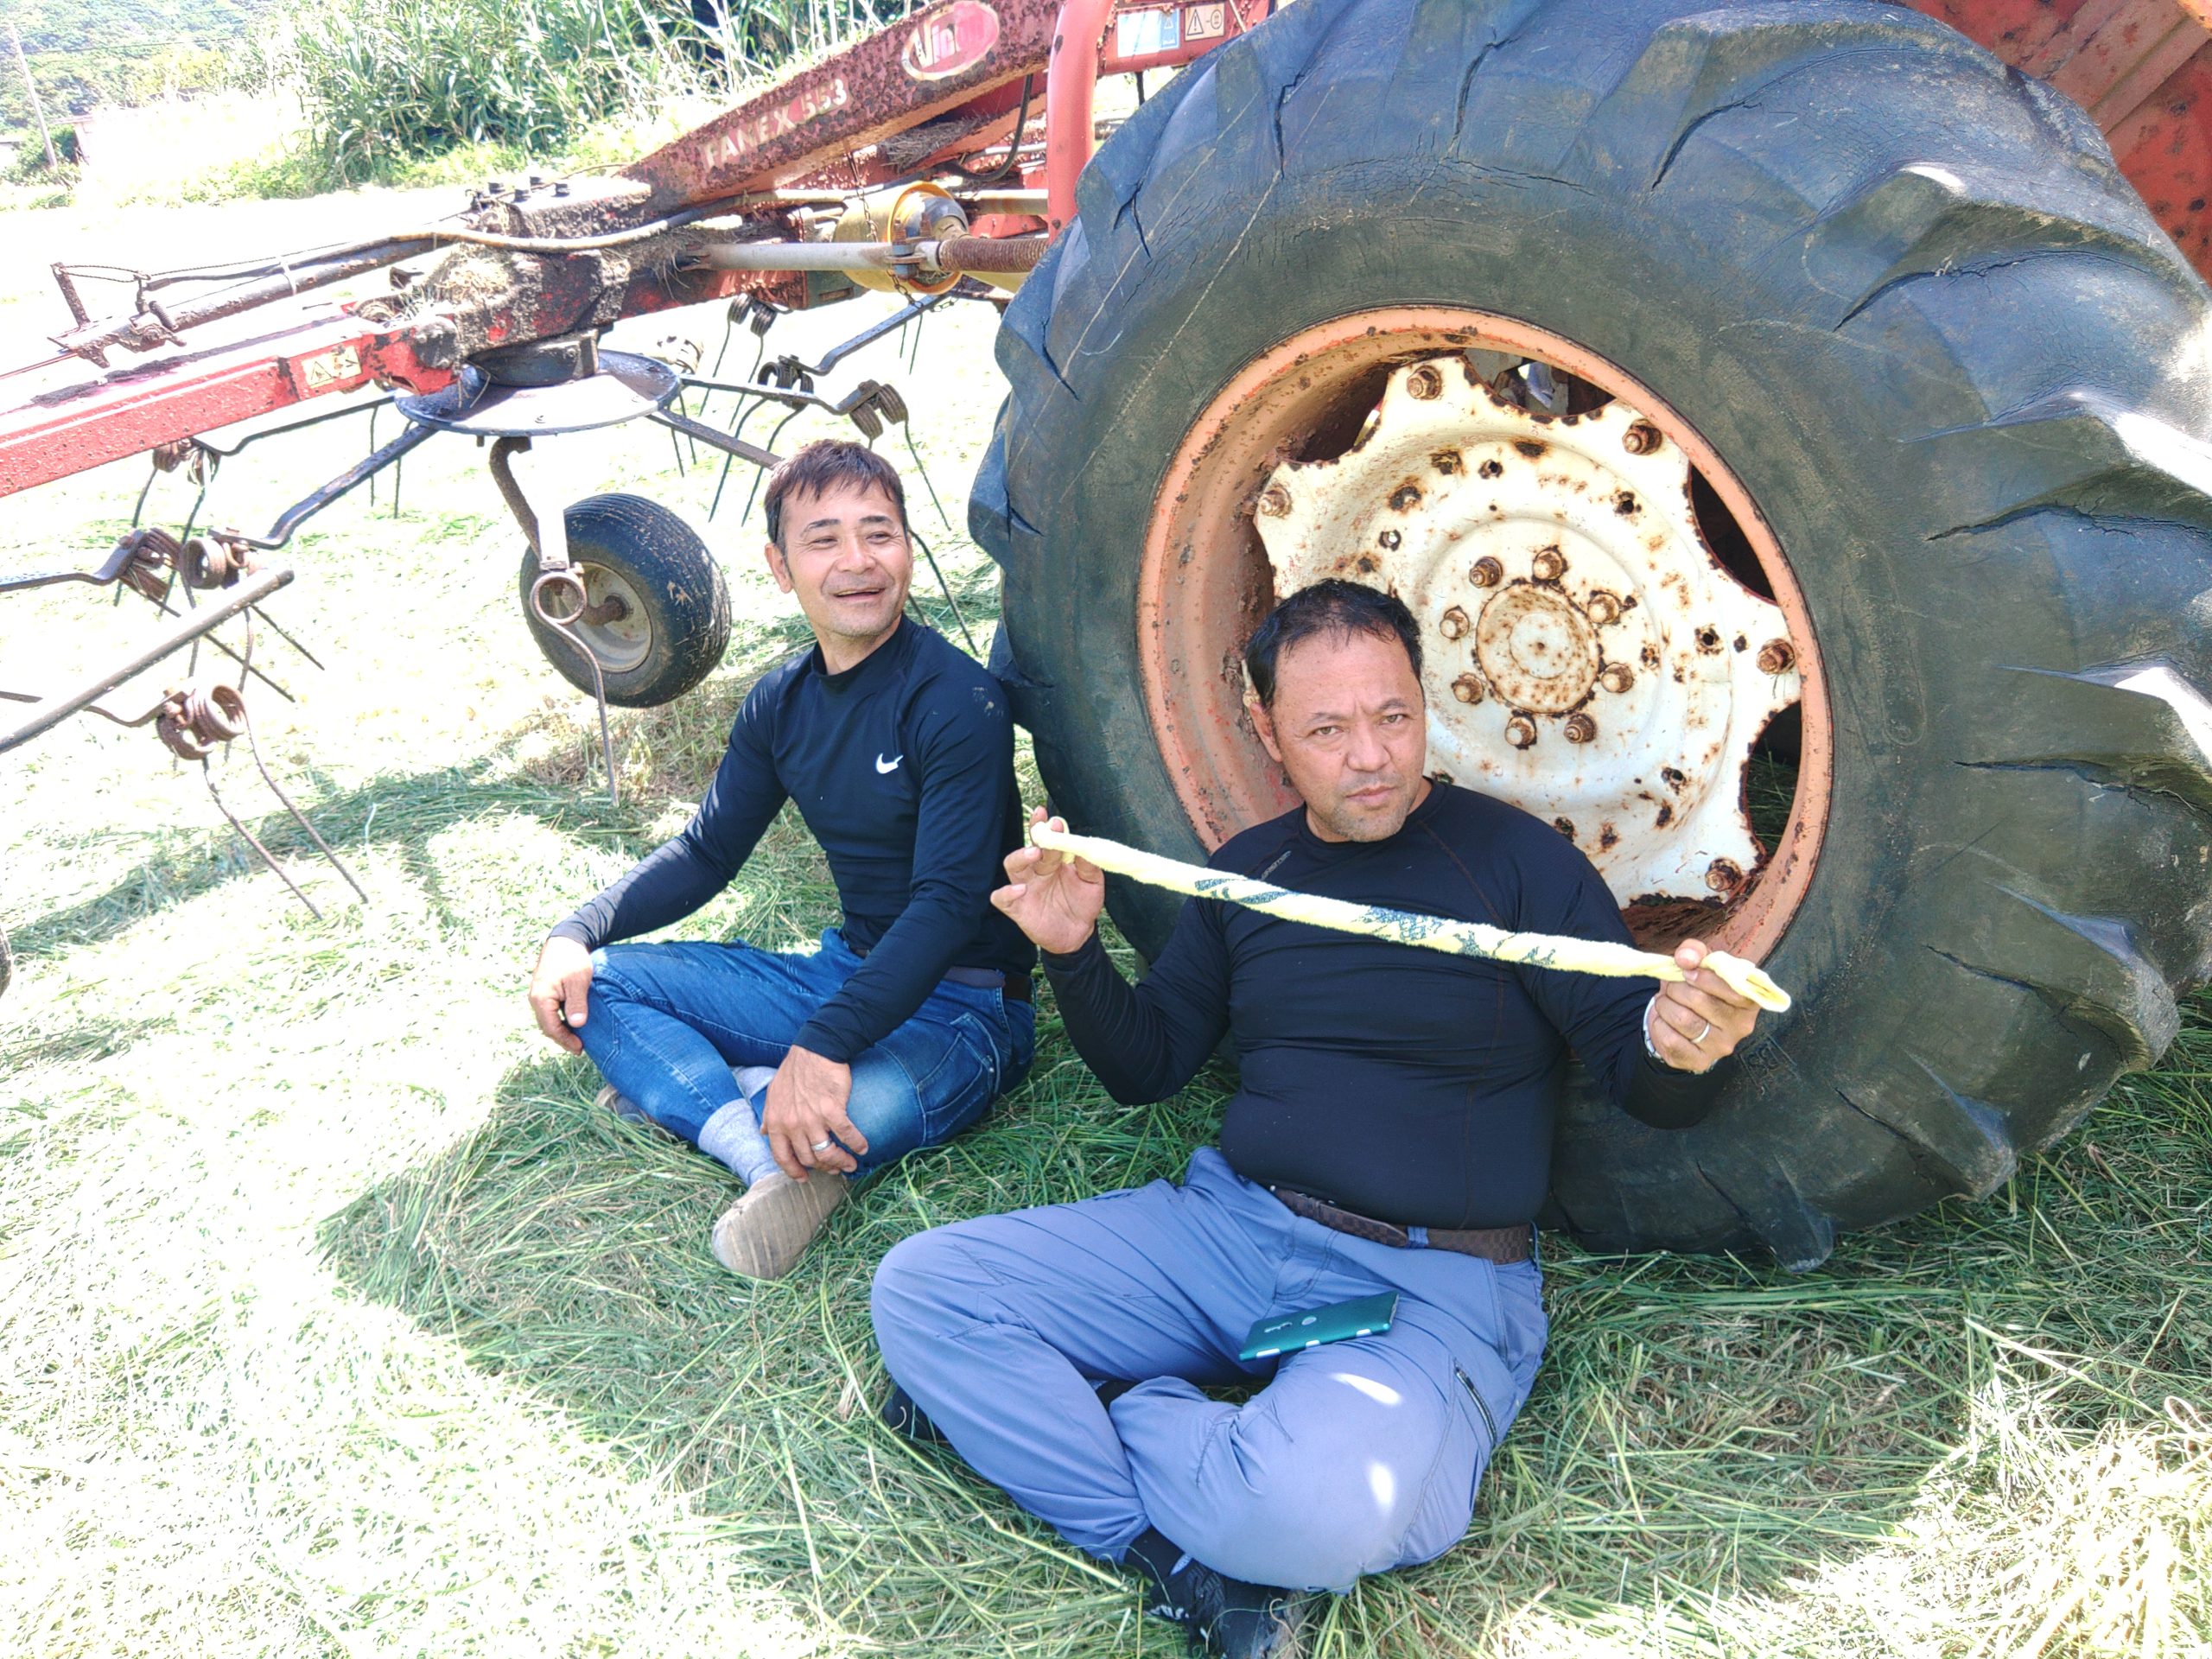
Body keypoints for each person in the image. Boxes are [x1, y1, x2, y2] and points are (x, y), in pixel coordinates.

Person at [869, 580, 1766, 1656]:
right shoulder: (1251, 877)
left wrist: (1681, 1047)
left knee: (1317, 1513)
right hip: (1230, 1232)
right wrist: (1071, 952)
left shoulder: (1517, 866)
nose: (1371, 758)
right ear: (1268, 732)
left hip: (1426, 1284)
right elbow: (1147, 1066)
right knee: (924, 1291)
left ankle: (1104, 1409)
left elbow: (1639, 1073)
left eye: (1393, 716)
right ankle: (1168, 1558)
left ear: (1424, 702)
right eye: (1327, 730)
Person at [527, 440, 1036, 1280]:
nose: (857, 561)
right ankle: (756, 1143)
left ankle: (714, 1097)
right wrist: (574, 931)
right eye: (823, 539)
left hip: (963, 1011)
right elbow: (707, 852)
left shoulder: (956, 699)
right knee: (601, 984)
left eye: (879, 533)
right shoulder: (781, 701)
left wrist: (824, 1045)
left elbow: (948, 905)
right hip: (841, 975)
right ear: (780, 566)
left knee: (836, 1121)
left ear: (907, 548)